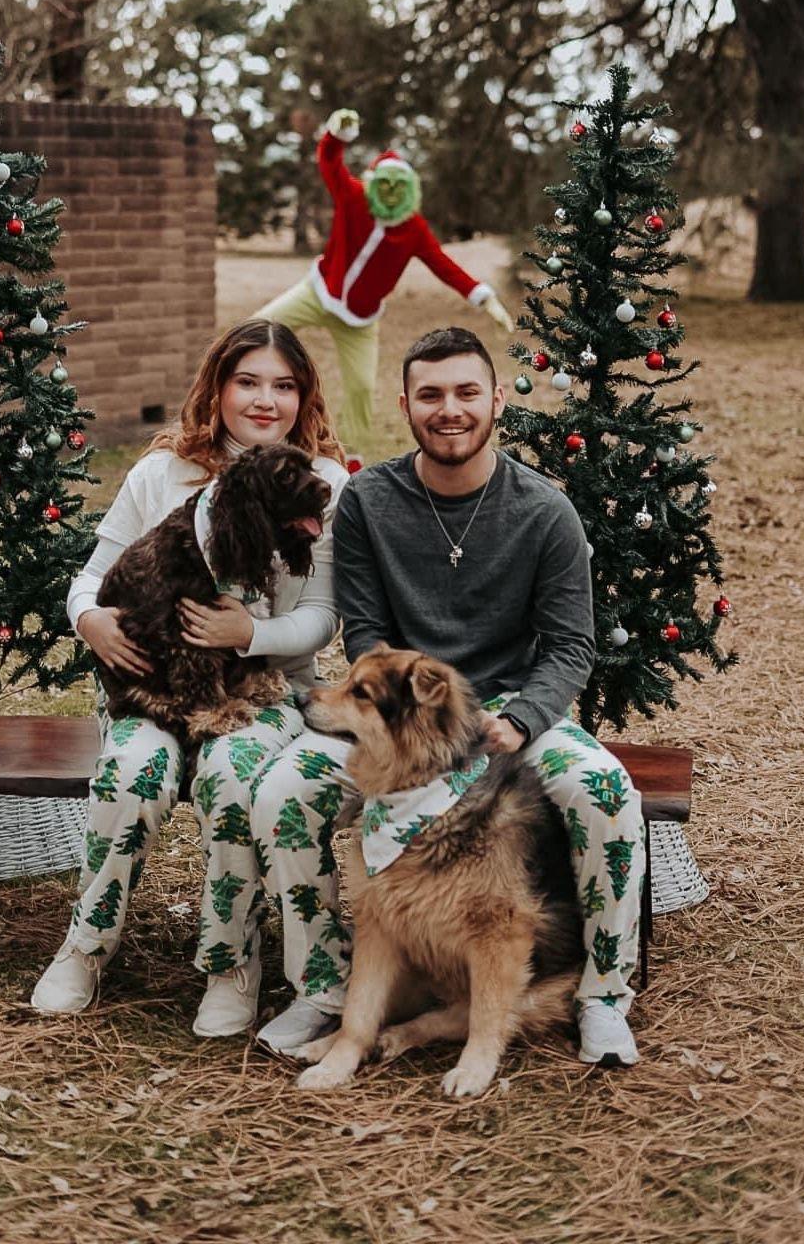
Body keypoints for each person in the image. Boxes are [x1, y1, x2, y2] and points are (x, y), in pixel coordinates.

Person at [249, 326, 646, 1067]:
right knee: (281, 793)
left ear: (496, 400)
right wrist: (413, 720)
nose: (449, 410)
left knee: (602, 789)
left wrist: (522, 719)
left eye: (467, 392)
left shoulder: (544, 511)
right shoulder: (370, 500)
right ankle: (326, 990)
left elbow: (571, 646)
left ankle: (603, 993)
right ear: (406, 405)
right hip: (400, 715)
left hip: (507, 710)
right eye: (430, 395)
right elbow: (364, 628)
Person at [30, 320, 350, 1036]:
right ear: (218, 387)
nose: (265, 400)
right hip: (153, 684)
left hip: (263, 691)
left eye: (284, 385)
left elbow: (324, 617)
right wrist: (91, 620)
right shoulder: (162, 473)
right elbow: (87, 579)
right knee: (134, 772)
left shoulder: (322, 486)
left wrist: (253, 633)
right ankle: (85, 945)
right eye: (248, 381)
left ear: (304, 397)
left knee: (235, 776)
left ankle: (231, 965)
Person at [256, 108, 514, 469]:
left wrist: (484, 297)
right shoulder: (354, 197)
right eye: (385, 185)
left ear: (410, 190)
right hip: (318, 293)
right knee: (253, 331)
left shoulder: (413, 227)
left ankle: (353, 460)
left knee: (362, 387)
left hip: (360, 320)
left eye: (399, 187)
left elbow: (444, 265)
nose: (391, 193)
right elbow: (329, 163)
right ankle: (225, 420)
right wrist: (336, 134)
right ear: (374, 183)